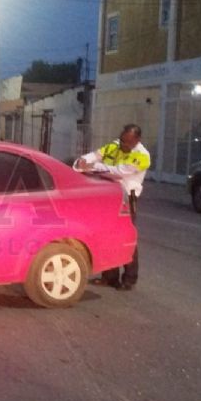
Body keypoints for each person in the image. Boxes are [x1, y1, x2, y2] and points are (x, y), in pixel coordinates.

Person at [73, 123, 150, 290]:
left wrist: (93, 166)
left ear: (137, 140)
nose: (123, 144)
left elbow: (119, 172)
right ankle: (109, 276)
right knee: (106, 234)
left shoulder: (142, 156)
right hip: (108, 196)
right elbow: (96, 155)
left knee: (127, 237)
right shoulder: (115, 145)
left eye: (128, 142)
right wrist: (85, 160)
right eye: (123, 140)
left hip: (126, 198)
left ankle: (129, 278)